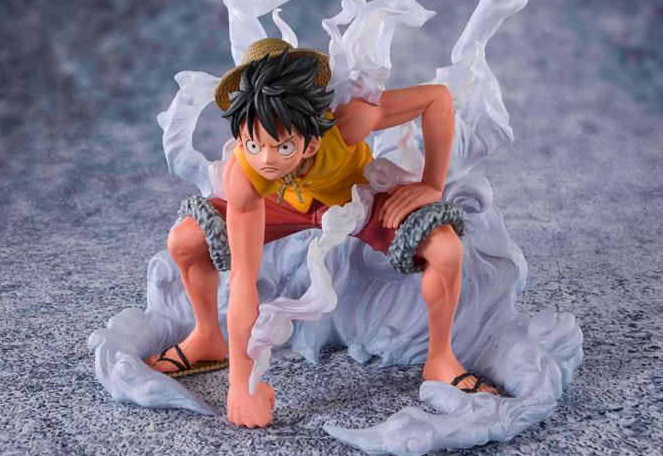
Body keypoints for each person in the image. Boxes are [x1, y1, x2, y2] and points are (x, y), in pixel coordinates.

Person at [145, 37, 500, 428]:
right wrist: (241, 386)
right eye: (253, 145)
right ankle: (209, 337)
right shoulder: (245, 174)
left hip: (356, 200)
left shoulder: (349, 122)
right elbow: (243, 280)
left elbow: (437, 99)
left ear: (312, 142)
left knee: (445, 249)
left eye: (282, 147)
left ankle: (441, 358)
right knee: (185, 240)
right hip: (282, 207)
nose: (266, 160)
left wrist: (432, 183)